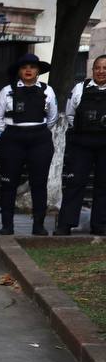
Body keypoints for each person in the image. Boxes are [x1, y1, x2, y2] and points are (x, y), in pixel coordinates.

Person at [0, 53, 58, 235]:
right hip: (13, 140)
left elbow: (52, 118)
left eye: (32, 67)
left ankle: (38, 225)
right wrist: (12, 132)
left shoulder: (48, 90)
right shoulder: (7, 90)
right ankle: (7, 225)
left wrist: (37, 130)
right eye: (24, 67)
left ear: (38, 71)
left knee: (39, 183)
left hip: (40, 140)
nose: (28, 70)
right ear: (19, 71)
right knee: (8, 183)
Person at [55, 54, 106, 235]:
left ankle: (100, 225)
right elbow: (70, 115)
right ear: (92, 70)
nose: (101, 71)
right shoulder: (80, 88)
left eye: (105, 68)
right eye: (97, 68)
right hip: (82, 144)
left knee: (103, 185)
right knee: (74, 182)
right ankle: (65, 224)